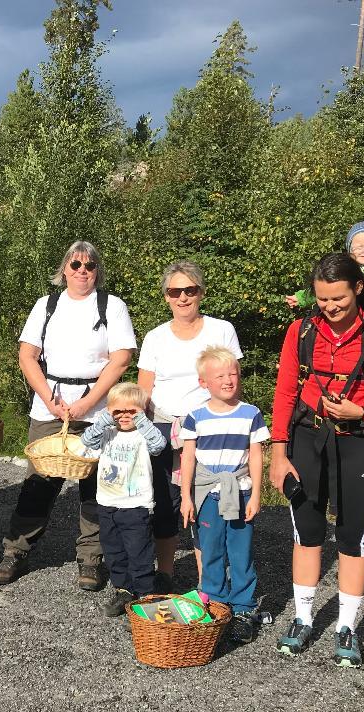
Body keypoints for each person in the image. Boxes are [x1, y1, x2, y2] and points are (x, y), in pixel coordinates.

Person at [270, 252, 364, 667]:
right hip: (306, 438)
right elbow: (285, 392)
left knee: (353, 536)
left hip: (362, 441)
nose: (331, 307)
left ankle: (346, 626)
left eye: (339, 298)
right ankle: (302, 619)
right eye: (322, 300)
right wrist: (278, 454)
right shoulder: (300, 331)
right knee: (307, 530)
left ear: (357, 288)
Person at [0, 241, 137, 590]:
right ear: (65, 269)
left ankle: (91, 559)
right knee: (39, 481)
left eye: (90, 266)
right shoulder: (47, 305)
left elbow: (121, 359)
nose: (82, 271)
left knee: (96, 485)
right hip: (50, 406)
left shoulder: (111, 306)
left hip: (97, 408)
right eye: (76, 265)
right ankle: (16, 550)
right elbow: (27, 356)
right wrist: (49, 399)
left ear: (97, 271)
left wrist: (89, 402)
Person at [136, 261, 243, 593]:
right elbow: (144, 390)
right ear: (166, 297)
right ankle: (165, 574)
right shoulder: (155, 337)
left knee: (205, 502)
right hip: (162, 427)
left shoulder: (221, 330)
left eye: (189, 290)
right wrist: (136, 429)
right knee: (165, 503)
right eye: (175, 291)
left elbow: (232, 382)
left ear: (201, 292)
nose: (182, 297)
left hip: (209, 428)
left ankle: (207, 583)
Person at [178, 347, 270, 644]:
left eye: (233, 374)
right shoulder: (195, 416)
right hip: (207, 495)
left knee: (241, 553)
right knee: (211, 550)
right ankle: (215, 601)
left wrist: (256, 495)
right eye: (220, 376)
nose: (228, 380)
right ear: (203, 382)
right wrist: (186, 497)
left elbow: (256, 456)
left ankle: (243, 607)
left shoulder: (251, 414)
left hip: (240, 492)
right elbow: (188, 459)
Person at [80, 383, 167, 618]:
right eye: (118, 411)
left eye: (132, 411)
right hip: (107, 503)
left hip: (136, 506)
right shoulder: (107, 433)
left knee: (140, 553)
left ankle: (145, 597)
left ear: (142, 412)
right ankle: (123, 590)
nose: (125, 416)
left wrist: (142, 421)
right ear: (109, 411)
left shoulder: (144, 435)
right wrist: (104, 420)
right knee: (114, 552)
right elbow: (86, 442)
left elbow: (159, 445)